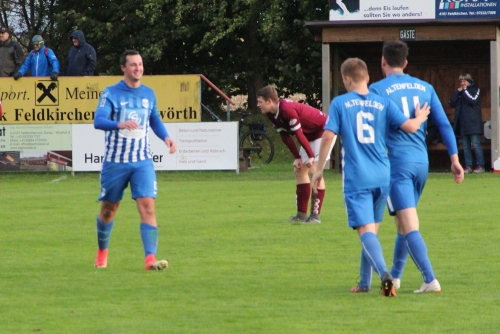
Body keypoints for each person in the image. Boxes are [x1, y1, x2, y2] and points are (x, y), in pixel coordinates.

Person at [311, 57, 431, 297]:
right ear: (367, 77)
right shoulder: (383, 102)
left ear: (346, 79)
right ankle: (364, 283)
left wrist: (319, 168)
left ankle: (384, 274)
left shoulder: (340, 103)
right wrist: (420, 118)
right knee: (371, 230)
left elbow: (327, 137)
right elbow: (409, 126)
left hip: (358, 176)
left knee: (365, 231)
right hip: (382, 175)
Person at [368, 40, 464, 294]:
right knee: (402, 221)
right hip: (421, 163)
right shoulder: (425, 87)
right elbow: (444, 124)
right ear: (406, 63)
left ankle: (430, 279)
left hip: (397, 164)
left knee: (409, 223)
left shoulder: (377, 90)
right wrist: (454, 159)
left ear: (383, 61)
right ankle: (396, 276)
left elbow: (373, 129)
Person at [93, 50, 177, 270]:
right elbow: (98, 121)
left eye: (140, 64)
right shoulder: (111, 93)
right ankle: (102, 251)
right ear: (123, 68)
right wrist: (118, 124)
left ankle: (150, 259)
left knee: (148, 207)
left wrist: (166, 137)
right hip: (116, 162)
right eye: (133, 65)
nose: (138, 68)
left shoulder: (149, 94)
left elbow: (154, 120)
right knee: (108, 210)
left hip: (142, 161)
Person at [257, 86, 331, 224]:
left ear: (269, 101)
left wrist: (310, 156)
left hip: (324, 130)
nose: (258, 105)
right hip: (309, 135)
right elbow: (285, 136)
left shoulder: (287, 109)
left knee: (314, 169)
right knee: (299, 170)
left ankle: (315, 216)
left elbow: (298, 134)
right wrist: (297, 157)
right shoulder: (271, 113)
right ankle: (301, 215)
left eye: (260, 101)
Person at [449, 73, 485, 173]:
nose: (462, 83)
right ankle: (468, 166)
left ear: (469, 82)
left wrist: (465, 90)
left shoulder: (475, 90)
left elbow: (473, 100)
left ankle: (480, 165)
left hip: (473, 123)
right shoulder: (460, 92)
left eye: (464, 81)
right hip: (463, 124)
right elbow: (452, 103)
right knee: (465, 146)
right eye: (461, 81)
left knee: (476, 144)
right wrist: (457, 92)